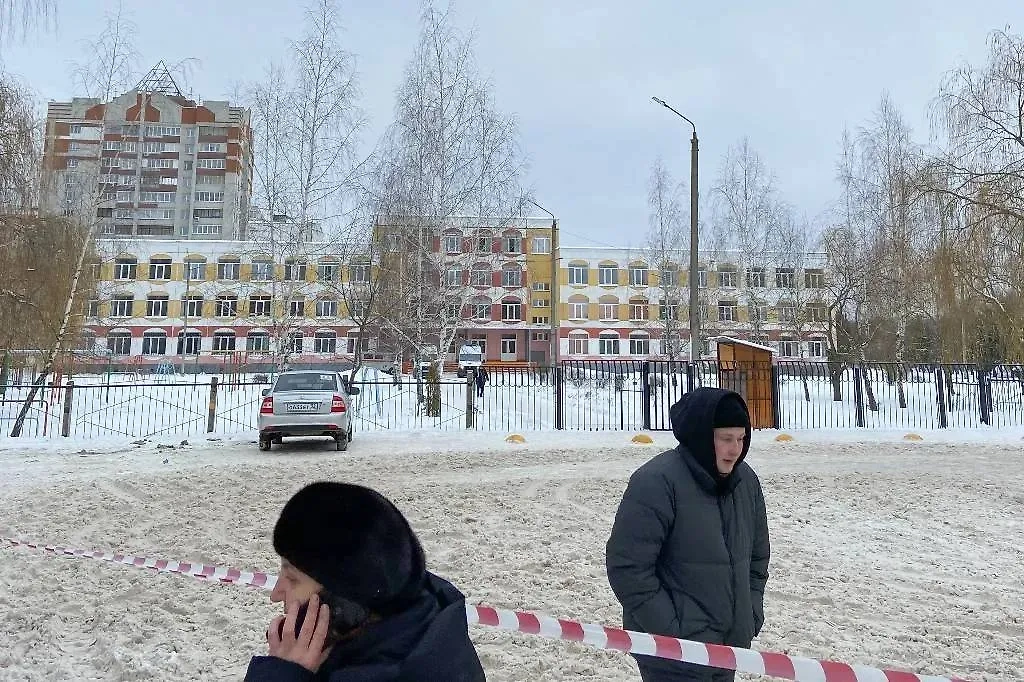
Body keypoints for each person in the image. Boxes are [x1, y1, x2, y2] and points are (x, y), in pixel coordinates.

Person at [244, 481, 487, 681]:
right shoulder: (428, 630)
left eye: (292, 579)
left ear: (345, 602)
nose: (275, 594)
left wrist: (279, 675)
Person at [605, 387, 770, 682]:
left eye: (741, 439)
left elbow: (757, 559)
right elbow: (628, 568)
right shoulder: (656, 481)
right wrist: (673, 632)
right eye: (726, 439)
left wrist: (751, 612)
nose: (735, 449)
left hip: (728, 648)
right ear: (702, 437)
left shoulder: (746, 481)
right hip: (671, 656)